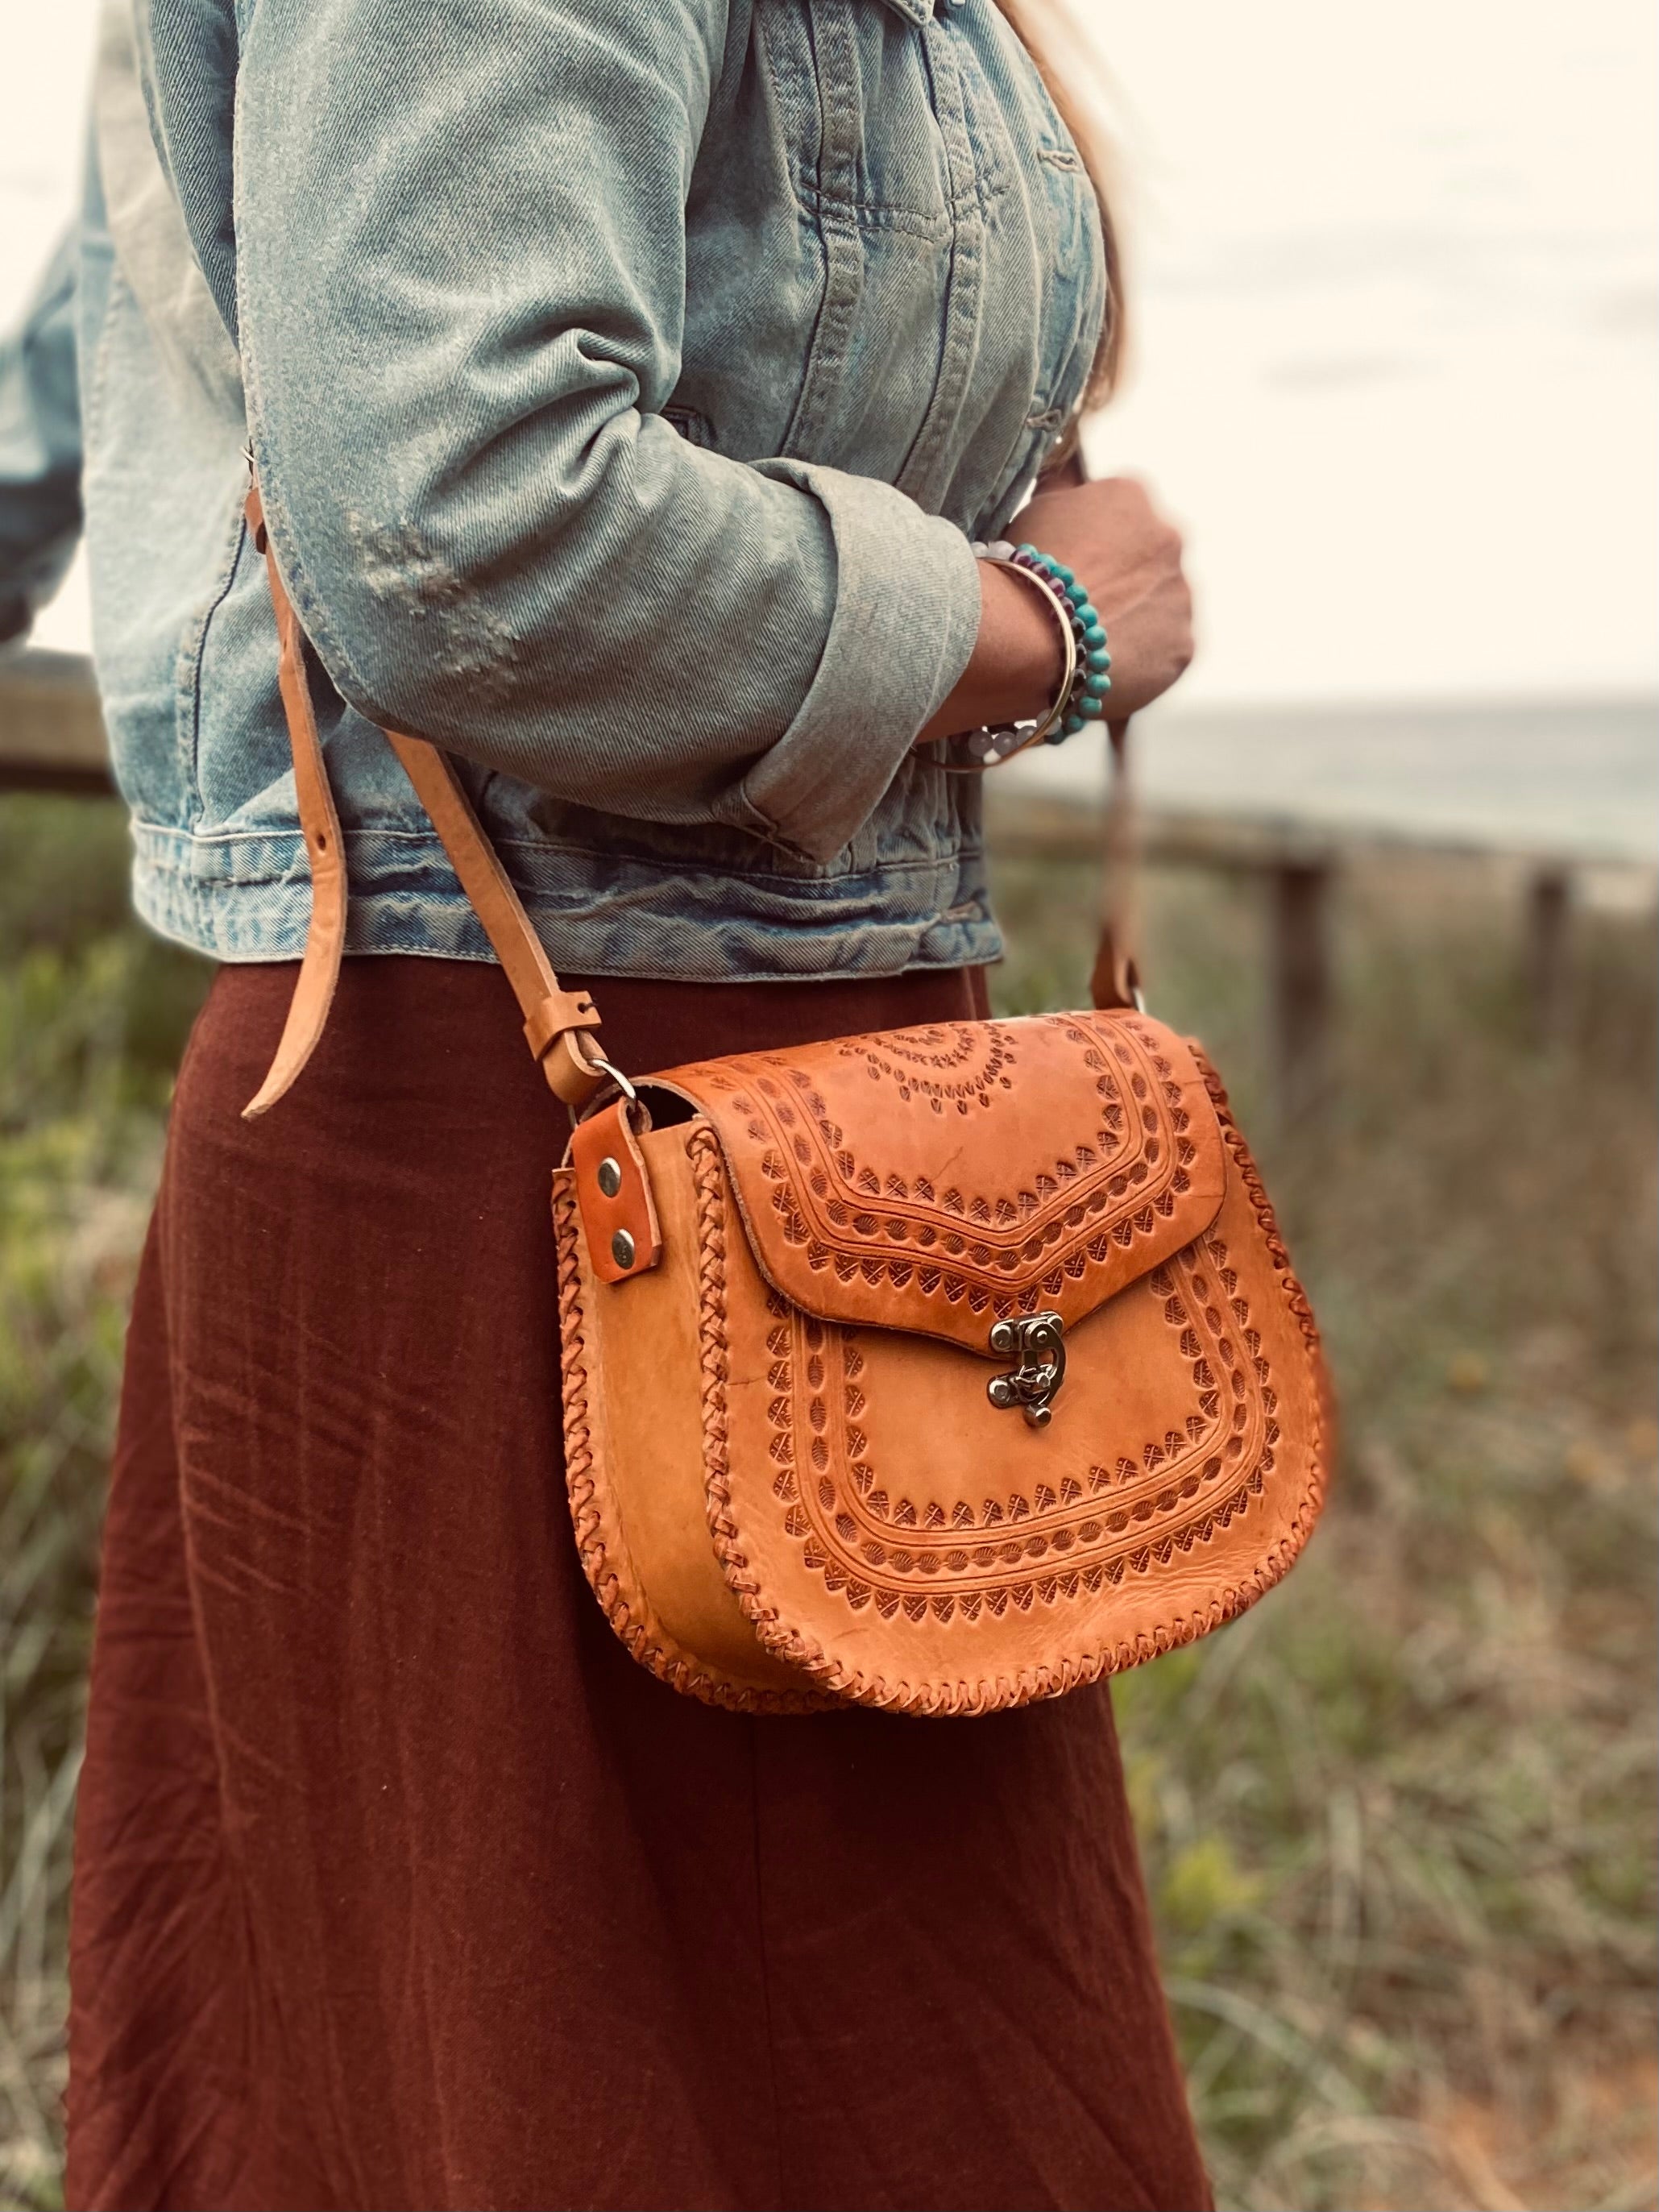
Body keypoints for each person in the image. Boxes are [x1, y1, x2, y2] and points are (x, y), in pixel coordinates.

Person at [2, 0, 1202, 2203]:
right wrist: (1037, 624)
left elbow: (124, 334)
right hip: (526, 1135)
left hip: (837, 1124)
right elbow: (467, 514)